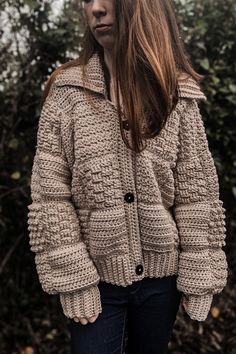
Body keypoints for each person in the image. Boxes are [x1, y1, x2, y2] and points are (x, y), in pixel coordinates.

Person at [27, 0, 229, 353]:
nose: (97, 9)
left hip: (161, 280)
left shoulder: (176, 95)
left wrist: (200, 271)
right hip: (94, 279)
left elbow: (197, 191)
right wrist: (74, 278)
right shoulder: (66, 94)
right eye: (89, 0)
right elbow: (50, 195)